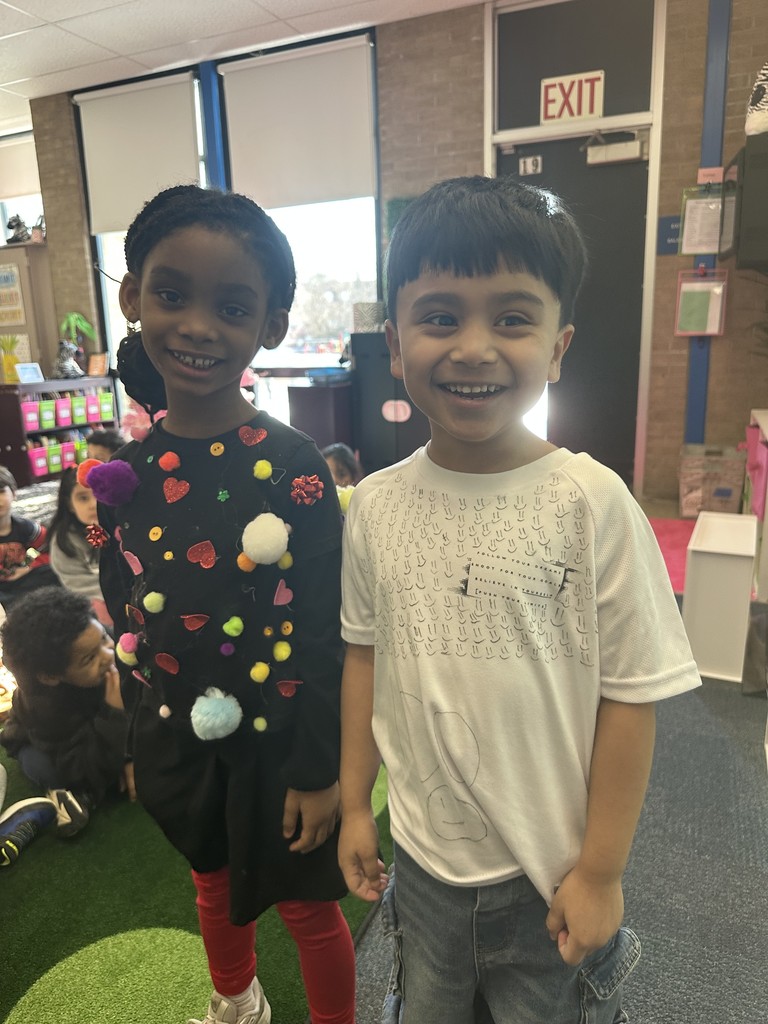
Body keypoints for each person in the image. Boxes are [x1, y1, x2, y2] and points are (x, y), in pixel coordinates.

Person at [337, 175, 702, 1024]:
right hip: (422, 869)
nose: (473, 347)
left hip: (547, 881)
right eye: (439, 317)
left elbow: (631, 698)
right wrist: (356, 801)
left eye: (511, 318)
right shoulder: (379, 505)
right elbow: (365, 659)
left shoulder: (593, 502)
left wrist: (603, 871)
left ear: (559, 345)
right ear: (395, 342)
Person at [98, 184, 354, 1024]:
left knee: (310, 908)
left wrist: (323, 773)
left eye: (232, 305)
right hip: (179, 732)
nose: (198, 326)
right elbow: (127, 616)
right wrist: (142, 729)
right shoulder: (122, 482)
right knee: (211, 879)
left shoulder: (295, 465)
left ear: (270, 324)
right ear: (133, 297)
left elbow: (325, 629)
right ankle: (235, 1000)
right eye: (171, 295)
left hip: (282, 738)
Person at [0, 586, 132, 841]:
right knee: (49, 770)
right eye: (88, 659)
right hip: (40, 741)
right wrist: (115, 713)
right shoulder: (45, 706)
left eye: (104, 638)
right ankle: (68, 796)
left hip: (91, 726)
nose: (108, 655)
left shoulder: (111, 650)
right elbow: (80, 765)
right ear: (51, 677)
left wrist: (128, 757)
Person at [48, 467, 112, 627]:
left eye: (99, 494)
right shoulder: (64, 540)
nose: (94, 504)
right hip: (94, 596)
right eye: (83, 498)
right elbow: (77, 581)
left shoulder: (118, 525)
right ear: (70, 504)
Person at [0, 465, 59, 612]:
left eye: (1, 492)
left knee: (54, 571)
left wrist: (29, 568)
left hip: (22, 580)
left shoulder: (25, 527)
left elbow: (51, 548)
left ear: (14, 494)